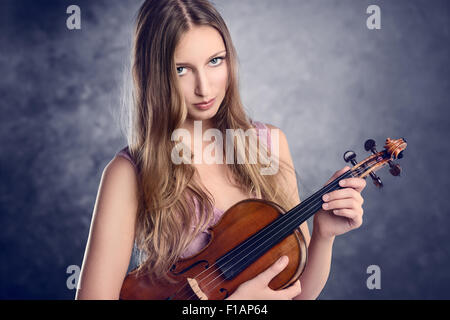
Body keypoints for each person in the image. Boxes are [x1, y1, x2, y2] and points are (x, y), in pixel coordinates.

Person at [75, 0, 366, 300]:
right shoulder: (128, 173)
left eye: (215, 61)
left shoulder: (269, 145)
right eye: (182, 69)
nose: (205, 87)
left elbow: (298, 295)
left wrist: (323, 236)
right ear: (152, 75)